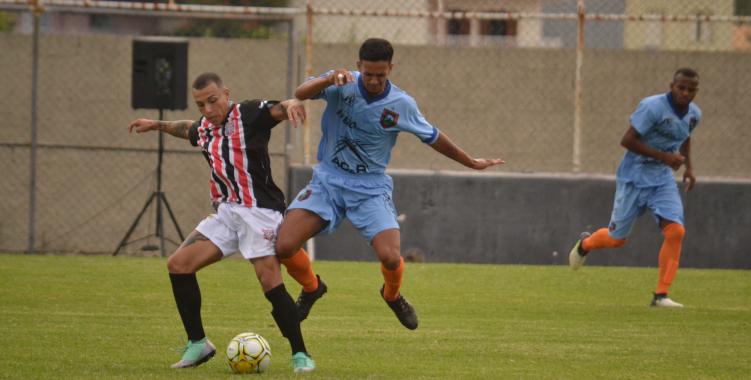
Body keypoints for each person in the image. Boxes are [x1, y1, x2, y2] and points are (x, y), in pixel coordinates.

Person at [275, 38, 505, 330]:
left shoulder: (401, 104)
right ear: (359, 66)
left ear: (391, 69)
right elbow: (300, 93)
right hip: (328, 181)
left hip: (370, 188)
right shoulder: (340, 82)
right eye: (368, 73)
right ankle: (311, 288)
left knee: (391, 257)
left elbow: (433, 137)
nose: (373, 80)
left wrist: (471, 161)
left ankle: (392, 295)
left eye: (380, 75)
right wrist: (326, 79)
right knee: (283, 246)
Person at [128, 72, 318, 372]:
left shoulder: (249, 113)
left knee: (270, 281)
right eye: (201, 104)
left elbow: (278, 109)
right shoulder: (204, 127)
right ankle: (198, 344)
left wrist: (292, 102)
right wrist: (156, 125)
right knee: (178, 265)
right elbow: (187, 128)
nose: (207, 110)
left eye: (213, 101)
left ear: (226, 94)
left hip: (260, 211)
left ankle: (300, 354)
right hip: (227, 212)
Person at [569, 68, 701, 308]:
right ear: (671, 85)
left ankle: (661, 295)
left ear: (696, 91)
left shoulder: (694, 114)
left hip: (662, 179)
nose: (685, 93)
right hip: (633, 177)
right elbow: (627, 141)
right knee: (616, 239)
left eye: (690, 89)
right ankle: (585, 244)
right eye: (681, 87)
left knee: (676, 232)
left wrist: (689, 168)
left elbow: (686, 138)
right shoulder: (652, 107)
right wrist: (664, 156)